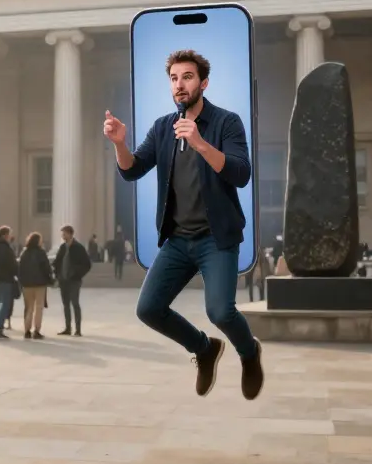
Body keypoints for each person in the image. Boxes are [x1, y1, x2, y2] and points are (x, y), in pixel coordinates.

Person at [105, 49, 263, 400]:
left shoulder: (226, 122)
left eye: (187, 77)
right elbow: (132, 170)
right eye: (174, 78)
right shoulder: (163, 127)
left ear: (203, 83)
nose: (179, 85)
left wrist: (200, 144)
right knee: (148, 309)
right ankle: (204, 349)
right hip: (177, 239)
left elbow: (240, 173)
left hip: (216, 238)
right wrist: (120, 144)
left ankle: (249, 353)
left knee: (220, 311)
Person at [52, 225, 92, 336]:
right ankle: (67, 328)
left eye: (64, 234)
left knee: (75, 303)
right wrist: (57, 274)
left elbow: (87, 264)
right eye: (62, 234)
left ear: (70, 234)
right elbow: (57, 262)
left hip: (74, 280)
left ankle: (78, 329)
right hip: (63, 280)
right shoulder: (62, 247)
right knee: (66, 305)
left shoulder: (78, 247)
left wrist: (77, 273)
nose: (62, 236)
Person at [17, 232, 53, 339]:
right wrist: (49, 279)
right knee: (39, 307)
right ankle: (36, 331)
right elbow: (46, 268)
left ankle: (27, 331)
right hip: (40, 284)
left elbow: (20, 269)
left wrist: (22, 281)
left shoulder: (24, 253)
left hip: (27, 284)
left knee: (29, 308)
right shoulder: (41, 253)